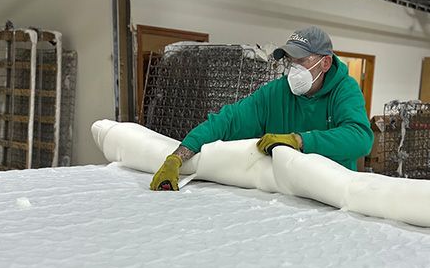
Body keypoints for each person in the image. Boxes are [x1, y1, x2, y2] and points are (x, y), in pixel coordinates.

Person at [150, 26, 373, 190]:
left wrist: (300, 140)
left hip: (332, 190)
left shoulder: (344, 91)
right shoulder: (276, 93)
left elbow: (360, 138)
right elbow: (228, 120)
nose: (294, 70)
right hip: (288, 190)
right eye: (290, 62)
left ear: (324, 63)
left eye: (301, 61)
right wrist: (177, 158)